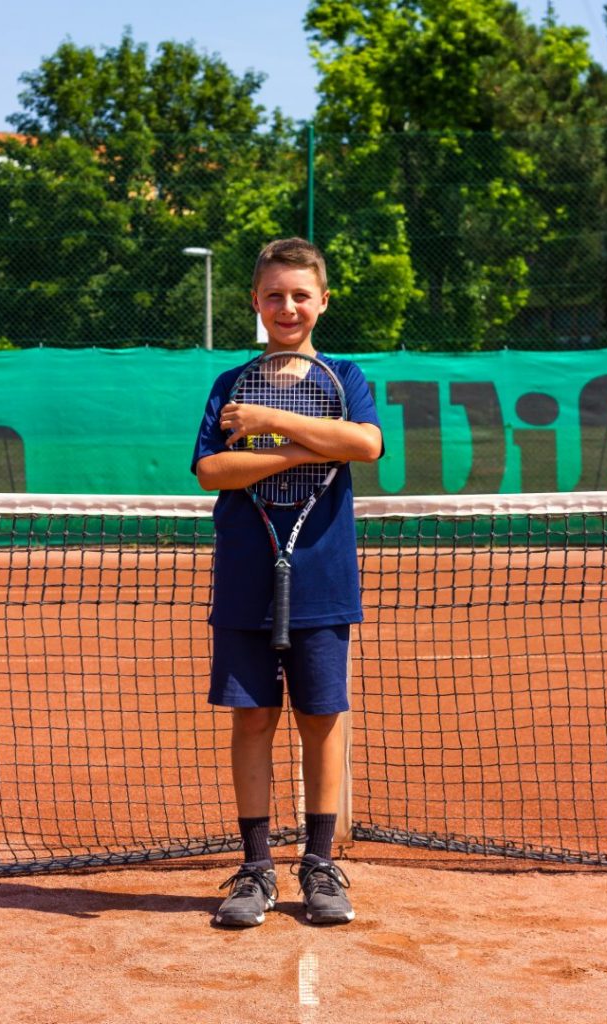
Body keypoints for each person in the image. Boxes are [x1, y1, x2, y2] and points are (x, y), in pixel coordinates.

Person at [191, 237, 383, 927]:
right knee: (252, 718)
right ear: (255, 301)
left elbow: (365, 443)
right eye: (274, 295)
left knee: (321, 719)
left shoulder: (344, 376)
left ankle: (319, 865)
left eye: (301, 294)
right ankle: (255, 868)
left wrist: (269, 427)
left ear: (322, 301)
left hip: (323, 577)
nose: (287, 306)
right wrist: (308, 447)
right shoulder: (230, 384)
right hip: (246, 575)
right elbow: (212, 471)